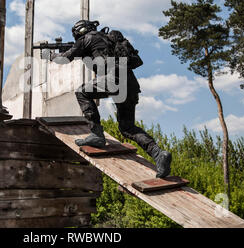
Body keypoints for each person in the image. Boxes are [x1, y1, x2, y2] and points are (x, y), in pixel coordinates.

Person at [51, 20, 172, 178]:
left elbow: (65, 58)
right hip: (130, 83)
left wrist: (51, 55)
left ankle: (96, 134)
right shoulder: (108, 39)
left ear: (79, 31)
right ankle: (159, 154)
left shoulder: (87, 38)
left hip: (114, 79)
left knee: (82, 92)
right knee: (127, 127)